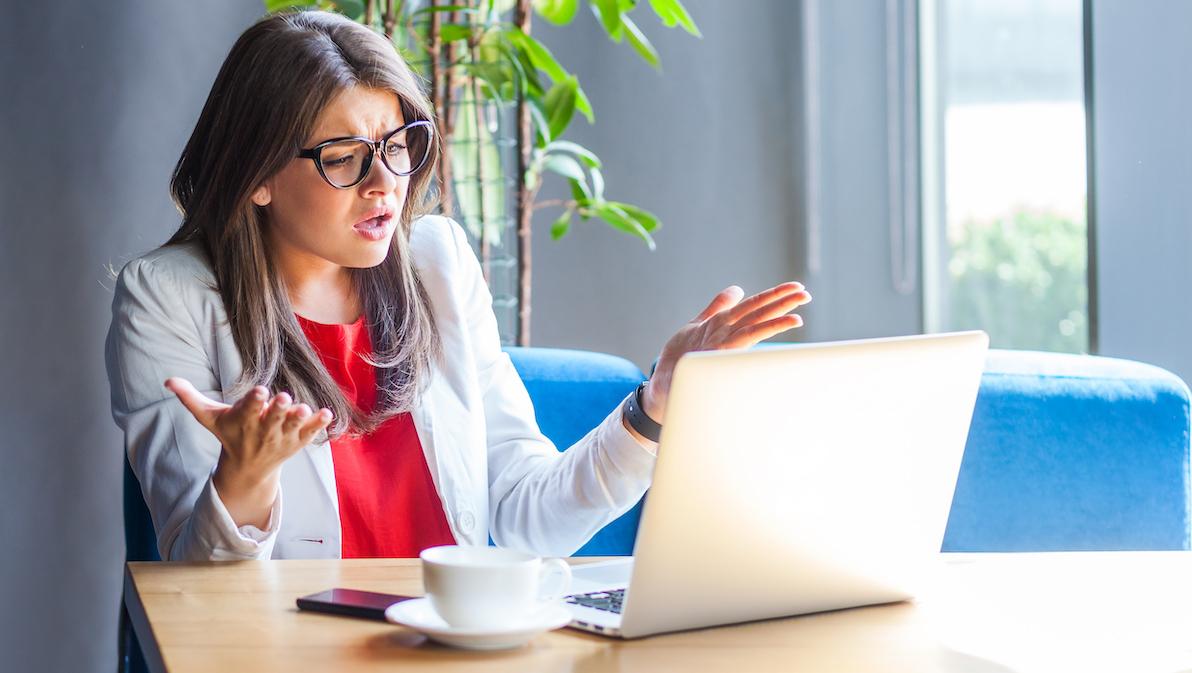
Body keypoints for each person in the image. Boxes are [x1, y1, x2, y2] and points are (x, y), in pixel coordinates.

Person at [104, 9, 811, 562]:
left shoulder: (436, 260)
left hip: (457, 644)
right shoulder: (166, 298)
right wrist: (245, 480)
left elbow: (529, 513)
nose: (386, 183)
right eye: (346, 157)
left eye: (398, 143)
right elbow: (194, 589)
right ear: (257, 174)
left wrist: (654, 407)